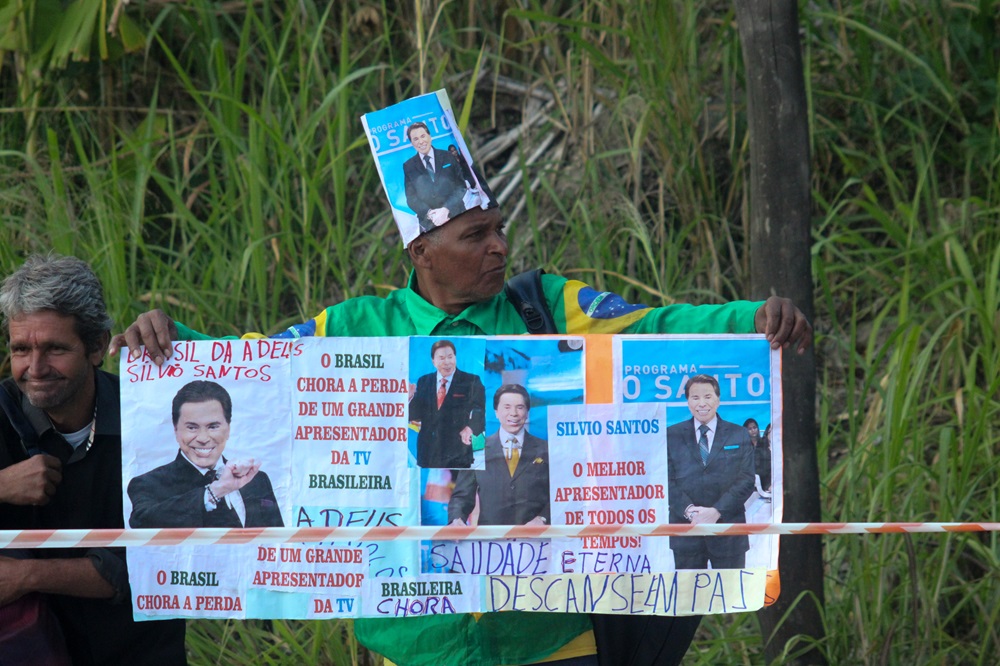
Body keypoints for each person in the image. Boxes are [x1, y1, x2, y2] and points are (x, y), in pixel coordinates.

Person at [112, 92, 812, 666]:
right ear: (422, 251)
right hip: (413, 646)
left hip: (551, 640)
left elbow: (651, 329)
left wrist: (750, 318)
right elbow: (255, 367)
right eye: (475, 237)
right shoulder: (357, 326)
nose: (499, 246)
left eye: (499, 230)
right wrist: (168, 348)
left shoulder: (547, 308)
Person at [0, 254, 186, 664]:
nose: (34, 368)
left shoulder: (152, 417)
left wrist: (25, 577)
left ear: (98, 345)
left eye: (54, 349)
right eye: (20, 349)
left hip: (142, 652)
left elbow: (157, 564)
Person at [127, 380, 283, 528]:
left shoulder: (258, 480)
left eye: (213, 426)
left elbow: (277, 543)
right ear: (175, 430)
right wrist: (215, 491)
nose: (203, 438)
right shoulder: (148, 484)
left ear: (228, 428)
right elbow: (141, 521)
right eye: (192, 427)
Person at [667, 374, 755, 570]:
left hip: (729, 533)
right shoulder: (671, 435)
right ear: (688, 402)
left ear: (718, 400)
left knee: (730, 597)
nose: (702, 404)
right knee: (688, 598)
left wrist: (716, 511)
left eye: (707, 396)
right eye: (695, 398)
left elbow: (746, 479)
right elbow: (665, 480)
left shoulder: (738, 433)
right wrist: (690, 511)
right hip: (686, 533)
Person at [448, 384, 549, 526]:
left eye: (520, 407)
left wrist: (542, 518)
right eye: (507, 407)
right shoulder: (478, 448)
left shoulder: (546, 450)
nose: (513, 413)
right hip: (491, 541)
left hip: (536, 541)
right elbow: (462, 496)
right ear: (496, 412)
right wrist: (456, 520)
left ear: (527, 412)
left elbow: (558, 494)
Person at [408, 340, 485, 469]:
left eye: (450, 357)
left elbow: (482, 409)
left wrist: (470, 428)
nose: (447, 362)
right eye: (442, 358)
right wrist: (410, 398)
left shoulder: (471, 380)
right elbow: (414, 415)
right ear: (433, 361)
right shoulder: (424, 381)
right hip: (428, 453)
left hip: (458, 452)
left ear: (455, 357)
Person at [403, 122, 469, 231]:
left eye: (423, 136)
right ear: (412, 143)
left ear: (430, 137)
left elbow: (461, 186)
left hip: (458, 215)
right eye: (415, 139)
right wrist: (430, 214)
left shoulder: (448, 156)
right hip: (430, 225)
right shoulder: (408, 166)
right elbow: (411, 198)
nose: (421, 141)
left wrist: (446, 209)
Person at [744, 417, 772, 492]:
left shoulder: (764, 442)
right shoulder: (744, 446)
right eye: (750, 429)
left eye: (754, 427)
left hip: (766, 476)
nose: (753, 430)